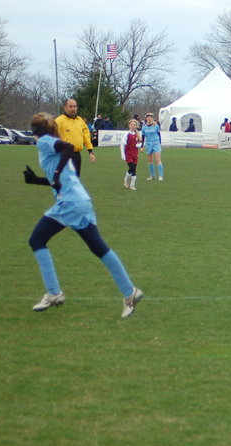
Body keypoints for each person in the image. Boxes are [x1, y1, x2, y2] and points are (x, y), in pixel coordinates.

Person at [23, 112, 143, 318]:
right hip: (81, 201)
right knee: (99, 248)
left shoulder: (44, 141)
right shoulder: (52, 144)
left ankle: (54, 292)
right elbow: (59, 180)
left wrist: (56, 173)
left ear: (35, 131)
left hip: (69, 203)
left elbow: (68, 149)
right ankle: (129, 292)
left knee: (37, 240)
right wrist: (36, 180)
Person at [55, 98, 95, 177]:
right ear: (65, 108)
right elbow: (52, 137)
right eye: (70, 106)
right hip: (64, 155)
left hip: (77, 155)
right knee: (66, 179)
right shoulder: (59, 121)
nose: (73, 108)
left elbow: (86, 136)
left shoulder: (80, 120)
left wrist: (90, 151)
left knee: (76, 179)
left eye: (74, 106)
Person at [120, 119, 143, 190]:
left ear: (136, 126)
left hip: (135, 155)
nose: (133, 126)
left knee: (134, 169)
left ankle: (131, 184)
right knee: (132, 168)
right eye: (132, 124)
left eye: (134, 125)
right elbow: (122, 144)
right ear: (129, 126)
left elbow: (140, 142)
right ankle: (127, 180)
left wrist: (139, 145)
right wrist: (122, 154)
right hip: (128, 154)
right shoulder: (127, 134)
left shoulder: (138, 134)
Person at [141, 113, 164, 181]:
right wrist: (142, 146)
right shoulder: (144, 127)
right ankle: (152, 176)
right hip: (148, 144)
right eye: (148, 117)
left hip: (155, 143)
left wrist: (159, 143)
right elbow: (143, 137)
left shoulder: (156, 126)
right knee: (150, 161)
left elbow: (159, 135)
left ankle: (160, 176)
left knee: (158, 160)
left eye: (150, 117)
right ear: (146, 118)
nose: (149, 118)